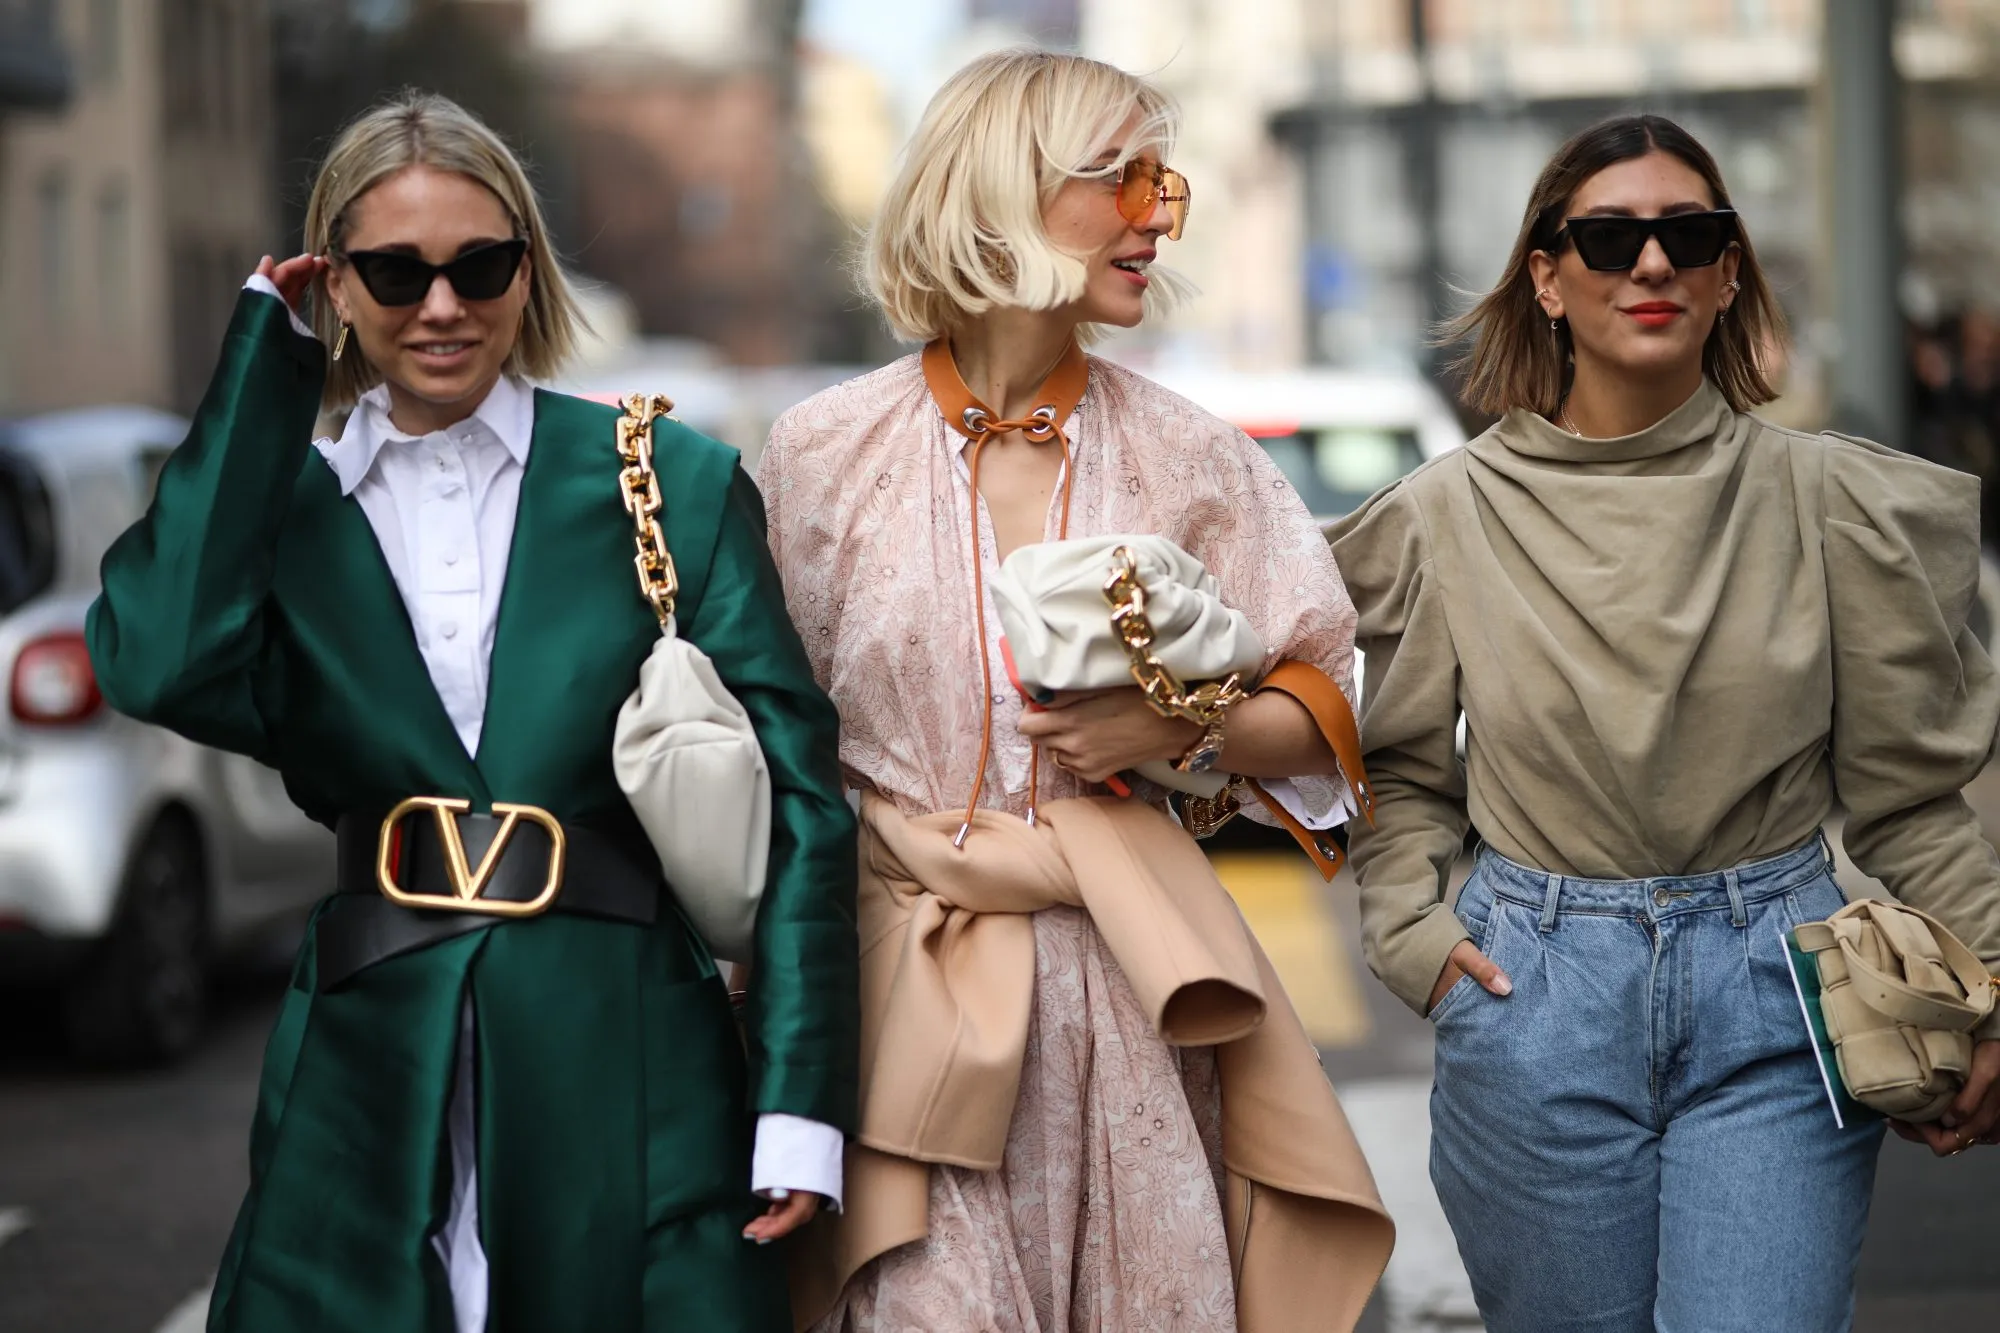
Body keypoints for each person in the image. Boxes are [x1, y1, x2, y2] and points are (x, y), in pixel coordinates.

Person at [85, 91, 857, 1332]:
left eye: (479, 265)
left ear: (526, 269)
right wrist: (256, 371)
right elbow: (153, 662)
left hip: (632, 1064)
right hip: (363, 1073)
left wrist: (801, 1102)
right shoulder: (282, 513)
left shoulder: (667, 481)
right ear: (333, 286)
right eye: (393, 273)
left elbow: (808, 806)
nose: (441, 307)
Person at [1329, 112, 2000, 1333]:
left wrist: (1991, 979)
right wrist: (1414, 943)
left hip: (1776, 996)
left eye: (1688, 235)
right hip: (1530, 994)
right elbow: (1402, 775)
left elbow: (1907, 795)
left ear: (1727, 270)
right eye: (1608, 237)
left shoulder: (1828, 502)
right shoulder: (1444, 517)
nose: (1651, 264)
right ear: (1544, 274)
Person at [759, 48, 1391, 1333]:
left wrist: (1178, 726)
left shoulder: (1191, 455)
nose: (1159, 212)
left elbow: (1323, 701)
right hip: (898, 988)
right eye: (1124, 178)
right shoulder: (818, 452)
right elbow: (775, 751)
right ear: (1001, 190)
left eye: (1167, 181)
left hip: (1133, 1002)